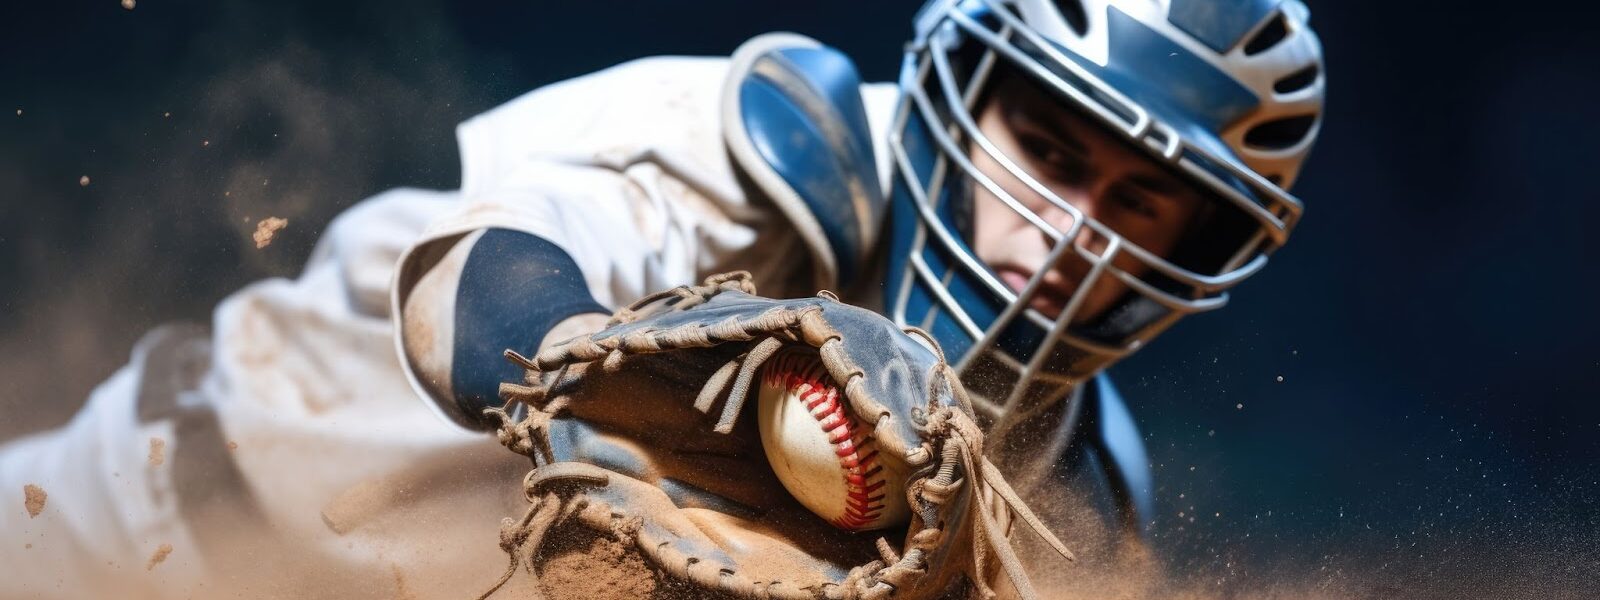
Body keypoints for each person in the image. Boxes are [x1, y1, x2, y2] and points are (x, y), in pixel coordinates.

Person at [0, 0, 1324, 597]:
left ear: (1202, 244)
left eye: (1140, 202)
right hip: (124, 527)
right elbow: (472, 285)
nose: (1066, 228)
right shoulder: (778, 142)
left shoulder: (1078, 504)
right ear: (963, 91)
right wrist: (600, 362)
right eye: (1048, 147)